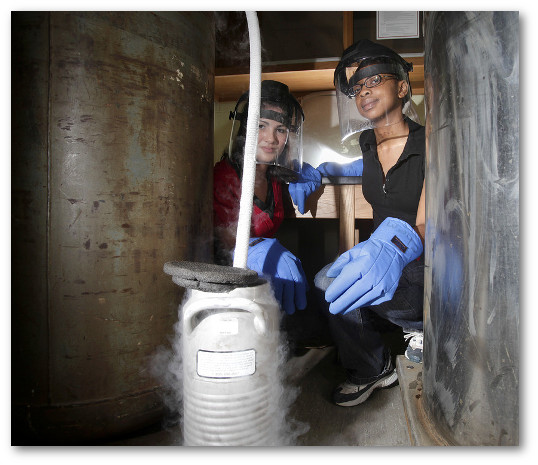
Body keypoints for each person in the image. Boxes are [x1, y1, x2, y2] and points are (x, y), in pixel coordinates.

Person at [288, 39, 425, 407]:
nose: (364, 91)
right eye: (357, 87)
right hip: (385, 261)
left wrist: (396, 246)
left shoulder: (431, 143)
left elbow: (434, 221)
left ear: (400, 86)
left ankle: (422, 328)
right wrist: (317, 171)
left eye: (374, 79)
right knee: (326, 280)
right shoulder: (367, 144)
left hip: (429, 264)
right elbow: (359, 169)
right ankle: (374, 367)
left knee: (348, 280)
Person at [213, 80, 308, 316]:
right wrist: (262, 247)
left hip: (266, 283)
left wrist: (312, 173)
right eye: (261, 125)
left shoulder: (273, 177)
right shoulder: (225, 176)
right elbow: (226, 245)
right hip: (231, 290)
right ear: (245, 129)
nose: (271, 138)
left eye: (281, 129)